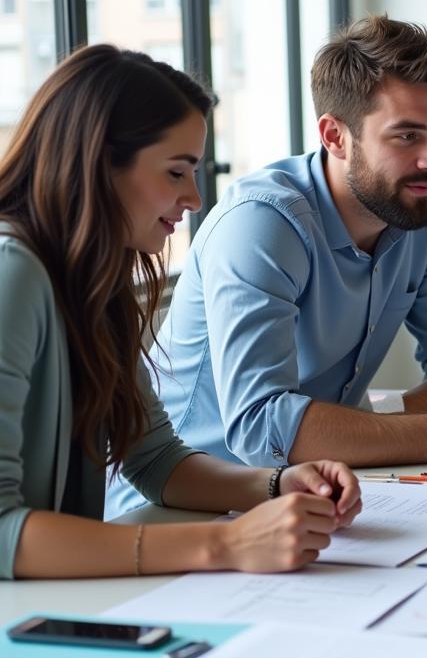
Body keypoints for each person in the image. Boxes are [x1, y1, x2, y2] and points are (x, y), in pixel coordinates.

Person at [108, 16, 427, 518]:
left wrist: (368, 425)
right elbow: (263, 428)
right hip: (183, 504)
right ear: (335, 136)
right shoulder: (262, 224)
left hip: (321, 491)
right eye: (407, 136)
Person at [0, 45, 362, 580]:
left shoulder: (92, 282)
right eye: (176, 172)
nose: (194, 198)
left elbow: (156, 460)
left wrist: (276, 484)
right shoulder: (13, 273)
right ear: (98, 164)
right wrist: (227, 544)